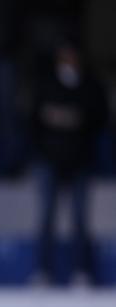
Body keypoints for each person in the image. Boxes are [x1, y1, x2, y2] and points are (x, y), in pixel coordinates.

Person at [31, 40, 107, 286]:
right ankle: (43, 271)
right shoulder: (46, 85)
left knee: (80, 220)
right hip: (50, 160)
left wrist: (75, 119)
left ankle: (81, 271)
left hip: (80, 161)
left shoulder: (90, 86)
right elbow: (34, 120)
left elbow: (100, 118)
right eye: (65, 56)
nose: (69, 61)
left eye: (72, 56)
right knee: (46, 219)